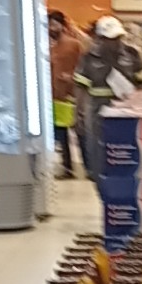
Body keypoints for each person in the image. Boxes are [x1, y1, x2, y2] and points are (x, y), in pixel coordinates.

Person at [74, 16, 142, 183]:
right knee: (97, 148)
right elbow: (81, 87)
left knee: (128, 147)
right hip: (98, 110)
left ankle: (129, 180)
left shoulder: (131, 54)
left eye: (117, 38)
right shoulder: (88, 58)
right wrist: (78, 113)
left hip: (128, 109)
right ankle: (100, 180)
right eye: (110, 39)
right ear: (99, 38)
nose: (115, 42)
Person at [48, 11, 86, 179]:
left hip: (73, 95)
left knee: (80, 132)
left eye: (54, 24)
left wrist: (72, 77)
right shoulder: (48, 46)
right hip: (56, 97)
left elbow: (84, 66)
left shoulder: (73, 45)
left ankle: (88, 166)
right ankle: (67, 167)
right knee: (61, 133)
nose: (51, 28)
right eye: (49, 25)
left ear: (62, 25)